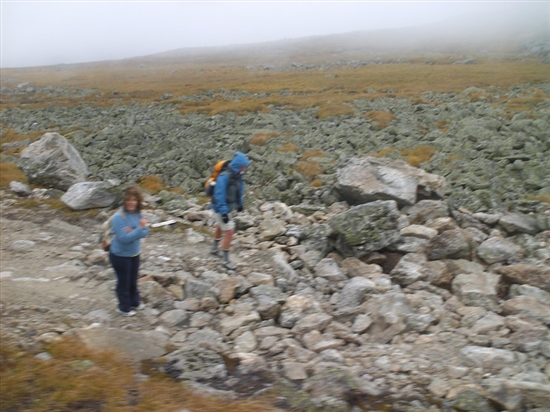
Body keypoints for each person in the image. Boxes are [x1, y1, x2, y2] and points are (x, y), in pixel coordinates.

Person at [109, 186, 149, 316]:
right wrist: (139, 228)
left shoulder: (138, 214)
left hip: (134, 253)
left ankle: (134, 302)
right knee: (123, 281)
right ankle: (123, 307)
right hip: (120, 255)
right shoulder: (118, 217)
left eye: (134, 200)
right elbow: (124, 238)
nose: (131, 202)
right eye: (129, 200)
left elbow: (145, 232)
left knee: (132, 280)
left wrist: (135, 230)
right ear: (124, 201)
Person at [210, 151, 250, 270]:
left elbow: (239, 190)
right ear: (238, 166)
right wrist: (223, 212)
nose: (245, 169)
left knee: (219, 225)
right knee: (229, 232)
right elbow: (219, 195)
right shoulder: (224, 177)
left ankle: (214, 248)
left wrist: (240, 204)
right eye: (244, 166)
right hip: (220, 207)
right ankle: (225, 260)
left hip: (227, 206)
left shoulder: (238, 176)